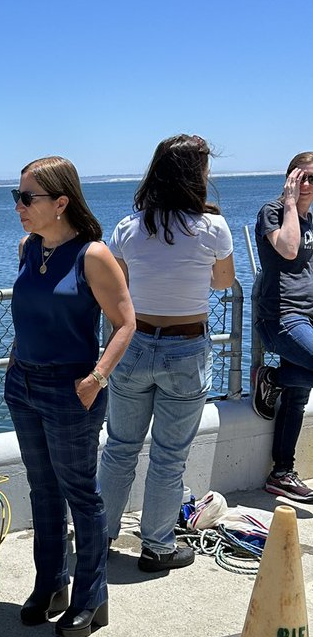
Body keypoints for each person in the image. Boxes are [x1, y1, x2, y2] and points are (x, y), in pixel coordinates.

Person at [4, 156, 134, 637]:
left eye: (27, 197)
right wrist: (17, 362)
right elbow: (32, 313)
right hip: (24, 384)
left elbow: (126, 322)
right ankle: (50, 585)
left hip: (71, 389)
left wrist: (96, 378)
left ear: (61, 202)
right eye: (17, 196)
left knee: (80, 493)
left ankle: (91, 596)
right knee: (42, 490)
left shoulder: (92, 255)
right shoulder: (28, 248)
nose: (19, 206)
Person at [99, 135, 235, 570]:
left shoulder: (128, 227)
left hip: (134, 344)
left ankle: (98, 538)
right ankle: (157, 547)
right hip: (186, 347)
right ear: (198, 175)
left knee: (120, 447)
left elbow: (119, 287)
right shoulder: (212, 227)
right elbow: (222, 282)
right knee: (169, 456)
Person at [251, 152, 313, 504]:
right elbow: (289, 249)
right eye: (301, 177)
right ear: (289, 178)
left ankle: (281, 473)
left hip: (308, 316)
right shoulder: (273, 212)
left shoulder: (310, 220)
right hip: (281, 317)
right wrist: (290, 202)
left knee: (297, 395)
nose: (306, 185)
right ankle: (275, 378)